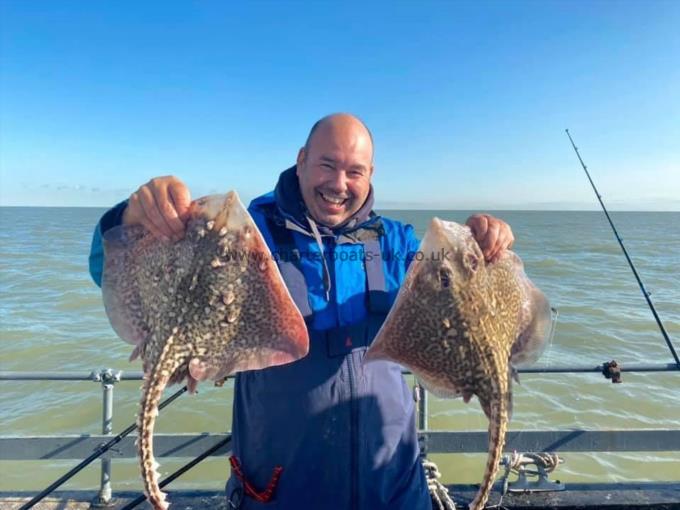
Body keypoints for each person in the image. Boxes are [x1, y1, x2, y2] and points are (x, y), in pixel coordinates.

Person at [88, 113, 514, 510]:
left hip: (393, 485)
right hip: (282, 488)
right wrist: (132, 216)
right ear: (302, 161)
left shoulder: (395, 243)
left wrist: (483, 240)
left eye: (355, 171)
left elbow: (462, 288)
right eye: (327, 165)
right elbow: (104, 265)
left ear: (370, 176)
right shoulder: (252, 233)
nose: (339, 183)